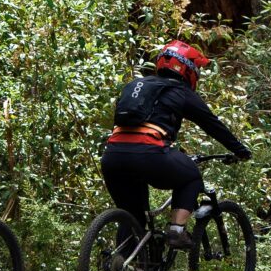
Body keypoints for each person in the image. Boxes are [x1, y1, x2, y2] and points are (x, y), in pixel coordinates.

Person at [101, 39, 250, 250]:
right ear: (187, 68)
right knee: (192, 177)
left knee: (132, 216)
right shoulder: (180, 90)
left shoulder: (136, 86)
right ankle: (177, 231)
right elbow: (212, 124)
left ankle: (125, 265)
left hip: (113, 156)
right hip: (150, 153)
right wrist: (240, 150)